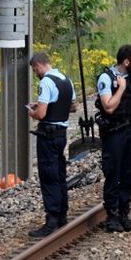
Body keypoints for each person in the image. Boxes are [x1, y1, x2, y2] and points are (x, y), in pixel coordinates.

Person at [95, 44, 131, 232]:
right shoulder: (107, 78)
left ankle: (124, 213)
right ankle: (111, 216)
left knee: (129, 174)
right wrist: (121, 89)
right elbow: (109, 107)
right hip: (114, 133)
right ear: (126, 62)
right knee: (113, 173)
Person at [27, 52, 77, 238]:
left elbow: (41, 114)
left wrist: (32, 112)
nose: (35, 73)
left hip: (48, 135)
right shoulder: (66, 80)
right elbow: (73, 107)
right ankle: (62, 213)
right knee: (59, 172)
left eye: (34, 70)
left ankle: (52, 218)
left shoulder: (46, 82)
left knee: (48, 175)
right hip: (61, 133)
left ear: (39, 65)